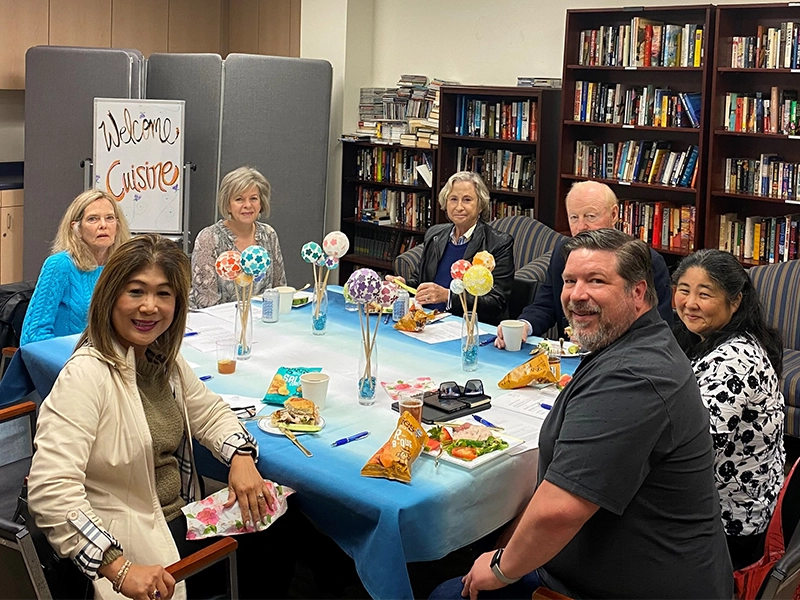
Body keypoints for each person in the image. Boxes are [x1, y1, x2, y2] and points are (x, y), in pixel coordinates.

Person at [429, 229, 733, 600]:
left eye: (596, 281)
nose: (576, 295)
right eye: (569, 281)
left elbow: (560, 511)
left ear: (637, 293)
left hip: (619, 586)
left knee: (446, 591)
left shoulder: (633, 377)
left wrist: (500, 568)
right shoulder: (636, 342)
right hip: (607, 564)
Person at [28, 235, 295, 600]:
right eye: (136, 292)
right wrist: (117, 567)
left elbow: (211, 411)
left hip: (174, 516)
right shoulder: (86, 375)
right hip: (132, 540)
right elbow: (50, 491)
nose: (150, 307)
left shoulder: (158, 360)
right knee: (276, 542)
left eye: (163, 294)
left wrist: (241, 457)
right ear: (110, 297)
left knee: (279, 515)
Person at [672, 249, 785, 570]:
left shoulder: (733, 362)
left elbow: (694, 453)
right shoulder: (710, 338)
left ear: (735, 301)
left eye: (704, 294)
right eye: (683, 290)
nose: (690, 303)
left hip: (731, 522)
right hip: (740, 501)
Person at [495, 180, 672, 348]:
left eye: (590, 216)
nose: (581, 227)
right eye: (574, 217)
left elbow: (656, 327)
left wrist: (596, 337)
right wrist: (525, 325)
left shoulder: (647, 260)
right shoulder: (563, 252)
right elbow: (546, 303)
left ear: (614, 214)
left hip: (622, 358)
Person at [387, 171, 514, 325]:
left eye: (467, 200)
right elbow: (419, 281)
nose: (459, 207)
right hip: (427, 321)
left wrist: (448, 296)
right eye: (453, 199)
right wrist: (403, 285)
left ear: (480, 205)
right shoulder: (435, 235)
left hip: (465, 326)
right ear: (445, 204)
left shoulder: (499, 243)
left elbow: (496, 302)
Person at [21, 189, 131, 344]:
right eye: (93, 219)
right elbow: (32, 336)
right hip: (66, 361)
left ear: (118, 226)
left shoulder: (124, 268)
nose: (103, 225)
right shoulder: (60, 265)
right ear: (76, 229)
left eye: (110, 218)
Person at [189, 166, 286, 309]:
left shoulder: (268, 234)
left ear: (261, 203)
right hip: (217, 322)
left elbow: (279, 287)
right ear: (228, 205)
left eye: (253, 198)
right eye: (239, 199)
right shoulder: (208, 238)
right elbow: (206, 301)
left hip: (261, 321)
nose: (248, 205)